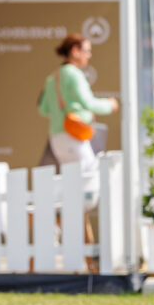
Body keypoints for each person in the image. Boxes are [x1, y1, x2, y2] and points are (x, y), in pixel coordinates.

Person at [37, 33, 118, 208]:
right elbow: (88, 102)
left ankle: (67, 225)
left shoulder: (52, 78)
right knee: (89, 184)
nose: (89, 55)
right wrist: (110, 105)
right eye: (87, 51)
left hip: (56, 138)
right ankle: (76, 225)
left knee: (71, 185)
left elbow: (43, 109)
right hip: (73, 136)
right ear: (75, 51)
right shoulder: (73, 74)